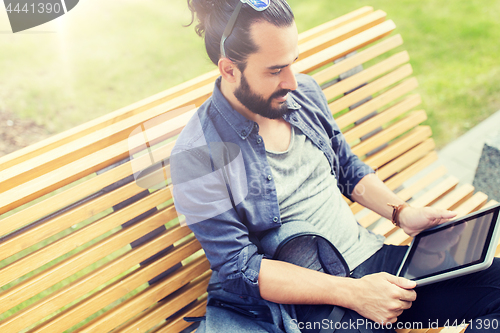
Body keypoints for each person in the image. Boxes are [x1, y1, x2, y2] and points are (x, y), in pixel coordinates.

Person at [170, 0, 500, 332]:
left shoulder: (304, 95)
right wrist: (354, 294)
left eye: (292, 64)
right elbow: (239, 267)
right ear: (229, 69)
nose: (292, 82)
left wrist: (402, 213)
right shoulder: (197, 156)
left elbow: (345, 167)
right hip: (316, 306)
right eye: (274, 70)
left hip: (375, 264)